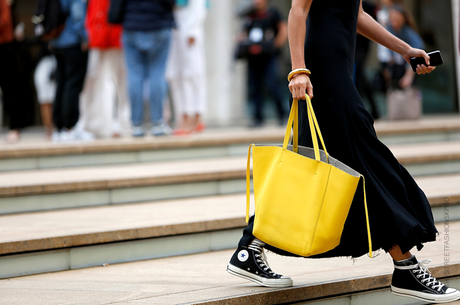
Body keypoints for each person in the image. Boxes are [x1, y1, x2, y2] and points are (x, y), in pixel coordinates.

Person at [226, 0, 460, 303]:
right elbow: (298, 11)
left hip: (336, 71)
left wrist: (404, 49)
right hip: (318, 76)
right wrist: (299, 70)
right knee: (365, 161)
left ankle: (249, 248)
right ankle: (405, 265)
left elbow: (357, 14)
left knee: (320, 169)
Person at [121, 0, 175, 137]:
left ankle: (136, 125)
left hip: (132, 25)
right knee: (157, 74)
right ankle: (157, 123)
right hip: (159, 24)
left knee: (134, 75)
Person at [79, 0, 131, 138]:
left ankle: (125, 123)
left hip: (118, 35)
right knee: (96, 83)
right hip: (98, 35)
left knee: (123, 82)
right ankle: (99, 124)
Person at [238, 0, 287, 128]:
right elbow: (243, 33)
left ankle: (282, 116)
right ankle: (257, 118)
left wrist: (274, 46)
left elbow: (283, 29)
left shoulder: (273, 13)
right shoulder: (249, 15)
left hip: (269, 57)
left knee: (273, 85)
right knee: (255, 88)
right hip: (253, 57)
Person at [51, 0, 94, 142]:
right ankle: (70, 128)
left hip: (57, 42)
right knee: (73, 85)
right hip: (72, 42)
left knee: (61, 83)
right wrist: (84, 38)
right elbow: (78, 16)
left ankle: (59, 128)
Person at [167, 0, 207, 135]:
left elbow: (198, 6)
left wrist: (193, 31)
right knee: (174, 74)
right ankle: (182, 115)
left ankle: (195, 115)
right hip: (172, 23)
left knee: (193, 72)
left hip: (188, 22)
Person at [0, 0, 34, 143]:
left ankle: (15, 127)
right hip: (6, 46)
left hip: (5, 47)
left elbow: (5, 22)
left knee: (10, 89)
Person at [386, 5, 423, 90]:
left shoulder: (408, 33)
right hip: (395, 70)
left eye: (396, 18)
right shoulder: (390, 29)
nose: (393, 21)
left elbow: (418, 49)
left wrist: (409, 75)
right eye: (391, 18)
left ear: (403, 18)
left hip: (407, 67)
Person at [34, 43, 57, 139]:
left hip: (55, 66)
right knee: (45, 100)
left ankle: (56, 127)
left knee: (54, 100)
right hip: (45, 67)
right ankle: (48, 128)